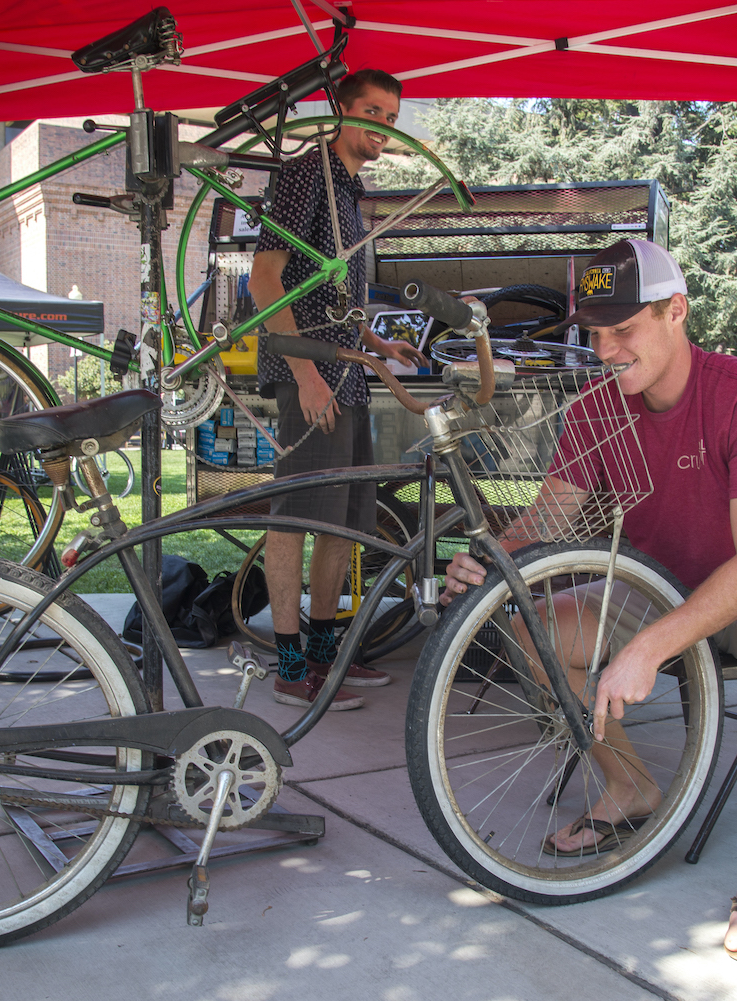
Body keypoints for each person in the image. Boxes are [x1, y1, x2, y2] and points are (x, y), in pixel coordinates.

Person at [441, 240, 737, 964]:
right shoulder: (600, 408)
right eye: (595, 334)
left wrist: (650, 647)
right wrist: (491, 562)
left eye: (623, 331)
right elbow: (547, 523)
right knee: (528, 625)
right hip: (648, 587)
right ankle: (629, 784)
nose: (606, 350)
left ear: (676, 311)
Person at [249, 68, 429, 710]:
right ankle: (290, 667)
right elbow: (265, 278)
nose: (383, 126)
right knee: (297, 515)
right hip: (311, 372)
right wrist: (305, 375)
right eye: (373, 112)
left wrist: (380, 347)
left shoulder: (351, 193)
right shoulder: (305, 175)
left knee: (344, 522)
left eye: (391, 116)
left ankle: (327, 656)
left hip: (349, 369)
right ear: (340, 110)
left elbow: (337, 294)